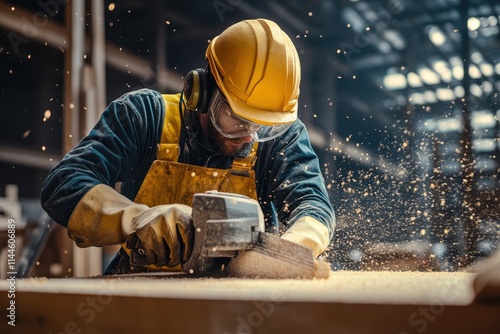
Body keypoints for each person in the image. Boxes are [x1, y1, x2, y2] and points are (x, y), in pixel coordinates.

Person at [41, 18, 335, 274]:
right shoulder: (144, 116)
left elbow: (312, 204)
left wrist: (288, 253)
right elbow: (63, 184)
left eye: (262, 126)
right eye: (237, 118)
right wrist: (137, 219)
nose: (249, 136)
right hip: (138, 288)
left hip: (240, 296)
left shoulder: (282, 136)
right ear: (202, 91)